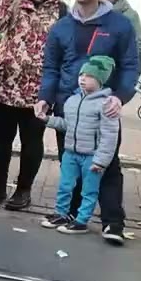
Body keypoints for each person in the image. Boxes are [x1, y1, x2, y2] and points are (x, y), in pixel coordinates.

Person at [35, 0, 139, 246]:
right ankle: (73, 215)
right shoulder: (61, 26)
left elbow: (130, 65)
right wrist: (46, 96)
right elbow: (50, 67)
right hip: (68, 104)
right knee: (71, 161)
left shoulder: (119, 25)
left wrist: (121, 96)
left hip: (103, 107)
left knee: (106, 164)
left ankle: (113, 223)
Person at [0, 0, 65, 210]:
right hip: (5, 85)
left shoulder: (61, 11)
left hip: (38, 89)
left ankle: (23, 190)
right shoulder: (15, 3)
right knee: (1, 140)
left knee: (32, 141)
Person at [41, 55, 121, 234]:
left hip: (91, 156)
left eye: (89, 76)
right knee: (65, 185)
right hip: (70, 152)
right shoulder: (72, 100)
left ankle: (82, 220)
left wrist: (101, 161)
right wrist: (47, 120)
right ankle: (61, 213)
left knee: (89, 190)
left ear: (100, 80)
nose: (83, 79)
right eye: (82, 75)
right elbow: (67, 125)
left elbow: (109, 136)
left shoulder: (106, 104)